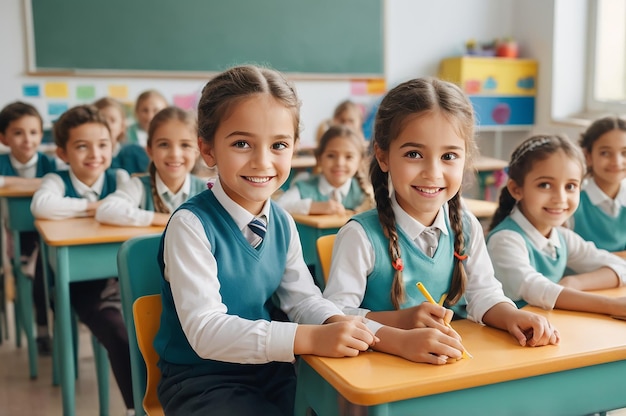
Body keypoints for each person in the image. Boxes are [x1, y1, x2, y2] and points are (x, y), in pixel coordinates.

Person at [153, 65, 378, 416]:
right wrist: (309, 338)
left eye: (278, 145)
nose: (262, 161)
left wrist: (335, 323)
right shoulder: (190, 225)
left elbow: (303, 300)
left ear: (294, 148)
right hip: (201, 381)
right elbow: (207, 331)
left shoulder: (282, 223)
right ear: (208, 150)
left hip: (271, 371)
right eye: (242, 143)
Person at [324, 77, 559, 367]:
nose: (432, 172)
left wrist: (511, 315)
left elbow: (483, 294)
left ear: (465, 159)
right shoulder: (360, 236)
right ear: (383, 156)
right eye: (414, 154)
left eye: (448, 156)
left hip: (447, 368)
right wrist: (400, 322)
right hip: (377, 374)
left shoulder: (467, 225)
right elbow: (335, 316)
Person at [29, 105, 134, 415]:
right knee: (119, 335)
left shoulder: (120, 176)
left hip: (123, 278)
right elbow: (42, 206)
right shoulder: (57, 179)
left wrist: (97, 207)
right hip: (84, 285)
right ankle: (134, 408)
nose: (94, 153)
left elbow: (129, 212)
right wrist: (97, 207)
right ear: (62, 152)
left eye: (103, 145)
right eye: (81, 146)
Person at [486, 134, 626, 316]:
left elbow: (620, 267)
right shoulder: (505, 240)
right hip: (504, 339)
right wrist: (611, 306)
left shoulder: (562, 237)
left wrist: (575, 282)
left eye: (570, 186)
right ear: (516, 189)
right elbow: (539, 290)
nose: (560, 198)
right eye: (545, 185)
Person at [0, 101, 58, 355]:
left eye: (33, 132)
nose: (27, 139)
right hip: (15, 238)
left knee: (45, 268)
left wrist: (14, 184)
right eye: (18, 132)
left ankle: (49, 328)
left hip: (47, 236)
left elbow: (56, 185)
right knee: (36, 265)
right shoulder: (3, 162)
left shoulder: (49, 163)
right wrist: (39, 184)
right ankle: (42, 331)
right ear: (3, 138)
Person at [96, 106, 206, 226]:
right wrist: (167, 219)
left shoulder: (206, 191)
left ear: (197, 150)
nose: (175, 154)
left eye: (185, 145)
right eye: (164, 144)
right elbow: (105, 210)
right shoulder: (138, 186)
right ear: (150, 150)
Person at [277, 124, 373, 215]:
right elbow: (279, 207)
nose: (339, 163)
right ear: (319, 158)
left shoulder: (364, 193)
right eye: (331, 156)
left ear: (360, 161)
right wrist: (313, 206)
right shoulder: (304, 187)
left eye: (348, 157)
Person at [570, 117, 626, 257]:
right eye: (605, 153)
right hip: (579, 278)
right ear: (588, 156)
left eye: (624, 153)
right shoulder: (573, 201)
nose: (617, 162)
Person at [94, 97, 150, 175]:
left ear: (122, 126)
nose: (107, 124)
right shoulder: (92, 157)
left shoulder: (135, 153)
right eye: (102, 119)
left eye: (112, 120)